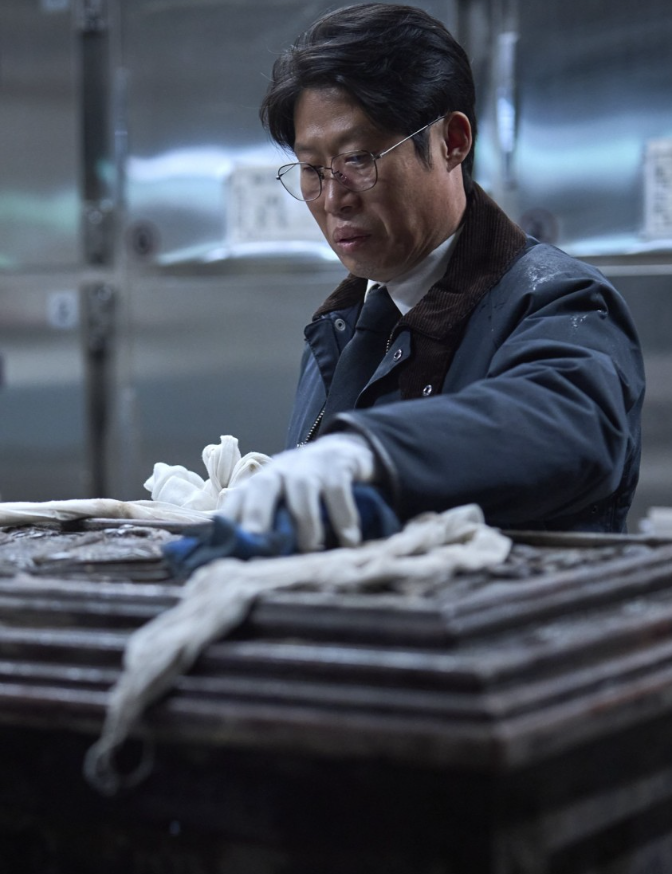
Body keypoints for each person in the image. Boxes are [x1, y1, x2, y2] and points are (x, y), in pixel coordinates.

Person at [219, 2, 645, 552]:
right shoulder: (343, 326)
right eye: (312, 169)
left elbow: (569, 424)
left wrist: (368, 452)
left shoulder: (556, 300)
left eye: (358, 159)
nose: (333, 199)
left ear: (452, 142)